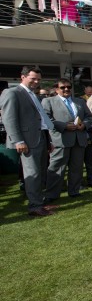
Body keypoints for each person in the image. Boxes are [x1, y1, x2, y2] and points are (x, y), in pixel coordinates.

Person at [0, 66, 56, 216]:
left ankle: (39, 201)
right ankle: (35, 207)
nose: (36, 82)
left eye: (38, 79)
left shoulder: (33, 94)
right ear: (22, 77)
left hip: (40, 139)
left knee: (40, 173)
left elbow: (41, 120)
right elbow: (9, 119)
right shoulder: (12, 93)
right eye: (33, 79)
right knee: (33, 173)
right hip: (26, 141)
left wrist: (48, 140)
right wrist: (18, 140)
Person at [42, 78, 92, 200]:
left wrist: (84, 125)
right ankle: (52, 195)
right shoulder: (48, 101)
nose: (66, 89)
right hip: (61, 140)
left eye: (69, 87)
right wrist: (64, 126)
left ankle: (74, 191)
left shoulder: (79, 101)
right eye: (63, 87)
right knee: (57, 168)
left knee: (77, 168)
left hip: (79, 139)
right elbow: (46, 119)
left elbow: (89, 118)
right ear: (56, 89)